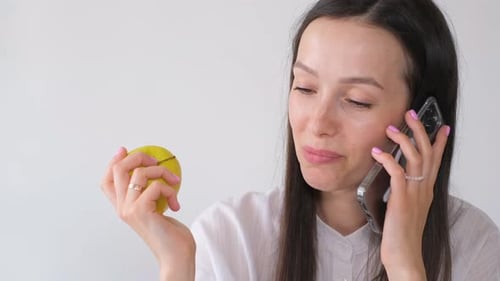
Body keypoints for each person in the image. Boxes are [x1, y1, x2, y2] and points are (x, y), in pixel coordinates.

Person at [100, 0, 500, 280]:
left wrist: (406, 266)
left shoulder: (475, 246)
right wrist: (176, 266)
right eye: (305, 88)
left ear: (423, 121)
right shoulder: (233, 236)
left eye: (357, 100)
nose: (318, 122)